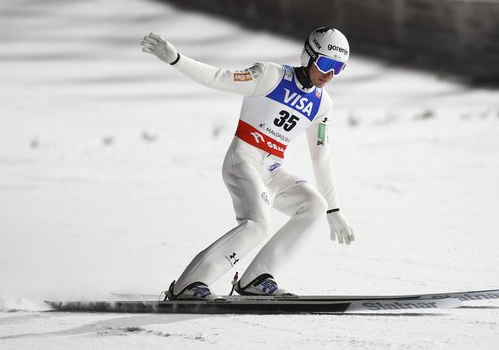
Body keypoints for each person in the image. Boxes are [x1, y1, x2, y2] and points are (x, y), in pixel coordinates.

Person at [141, 27, 355, 299]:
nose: (330, 74)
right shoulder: (269, 75)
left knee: (315, 206)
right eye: (326, 63)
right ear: (308, 56)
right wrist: (176, 59)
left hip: (272, 167)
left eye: (339, 68)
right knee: (258, 224)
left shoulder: (322, 104)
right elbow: (220, 78)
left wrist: (333, 208)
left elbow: (320, 155)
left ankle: (257, 278)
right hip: (243, 160)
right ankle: (189, 284)